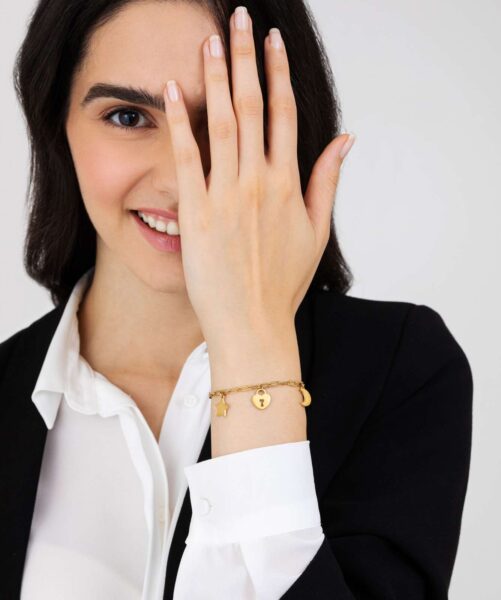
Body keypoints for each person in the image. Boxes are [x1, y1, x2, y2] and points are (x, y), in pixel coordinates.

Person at [0, 1, 473, 598]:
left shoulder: (400, 372)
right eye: (127, 117)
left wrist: (252, 346)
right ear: (56, 126)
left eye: (221, 120)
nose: (180, 180)